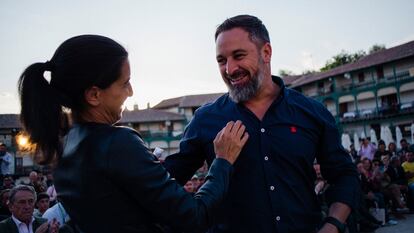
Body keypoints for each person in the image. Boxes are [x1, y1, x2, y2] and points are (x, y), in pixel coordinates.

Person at [18, 35, 249, 233]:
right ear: (94, 95)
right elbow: (194, 218)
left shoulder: (64, 144)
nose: (131, 91)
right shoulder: (118, 142)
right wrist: (222, 162)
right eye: (124, 83)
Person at [165, 15, 359, 233]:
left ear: (266, 52)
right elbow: (165, 183)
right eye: (221, 60)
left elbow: (344, 175)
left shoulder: (312, 112)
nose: (229, 69)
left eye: (239, 56)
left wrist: (333, 225)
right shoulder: (206, 119)